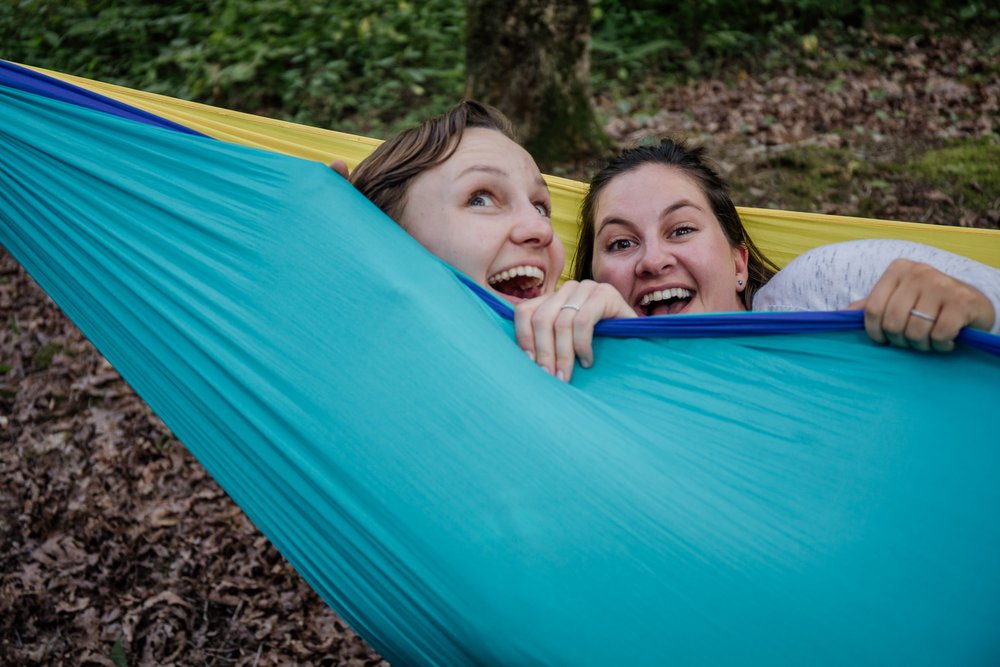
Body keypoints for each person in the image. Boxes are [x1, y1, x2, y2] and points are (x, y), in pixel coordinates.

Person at [515, 139, 1000, 381]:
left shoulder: (824, 286)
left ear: (739, 264)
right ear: (593, 279)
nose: (653, 261)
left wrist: (979, 313)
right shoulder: (576, 371)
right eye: (621, 244)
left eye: (681, 230)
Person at [349, 100, 565, 306]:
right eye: (480, 200)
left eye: (540, 208)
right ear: (386, 237)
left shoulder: (586, 333)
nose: (541, 229)